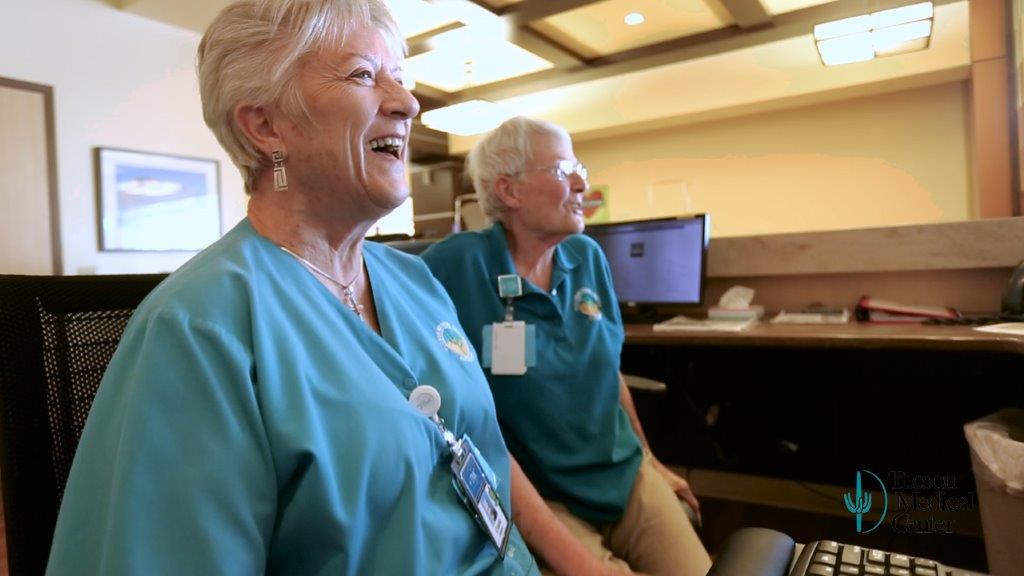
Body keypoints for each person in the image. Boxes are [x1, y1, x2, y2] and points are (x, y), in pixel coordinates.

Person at [45, 2, 537, 575]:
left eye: (400, 79)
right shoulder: (200, 327)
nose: (408, 103)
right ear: (266, 126)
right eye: (362, 75)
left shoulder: (416, 280)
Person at [421, 117, 712, 576]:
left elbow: (607, 372)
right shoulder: (456, 265)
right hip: (543, 494)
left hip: (624, 474)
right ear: (509, 190)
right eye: (561, 170)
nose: (581, 182)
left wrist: (653, 462)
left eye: (580, 167)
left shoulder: (587, 256)